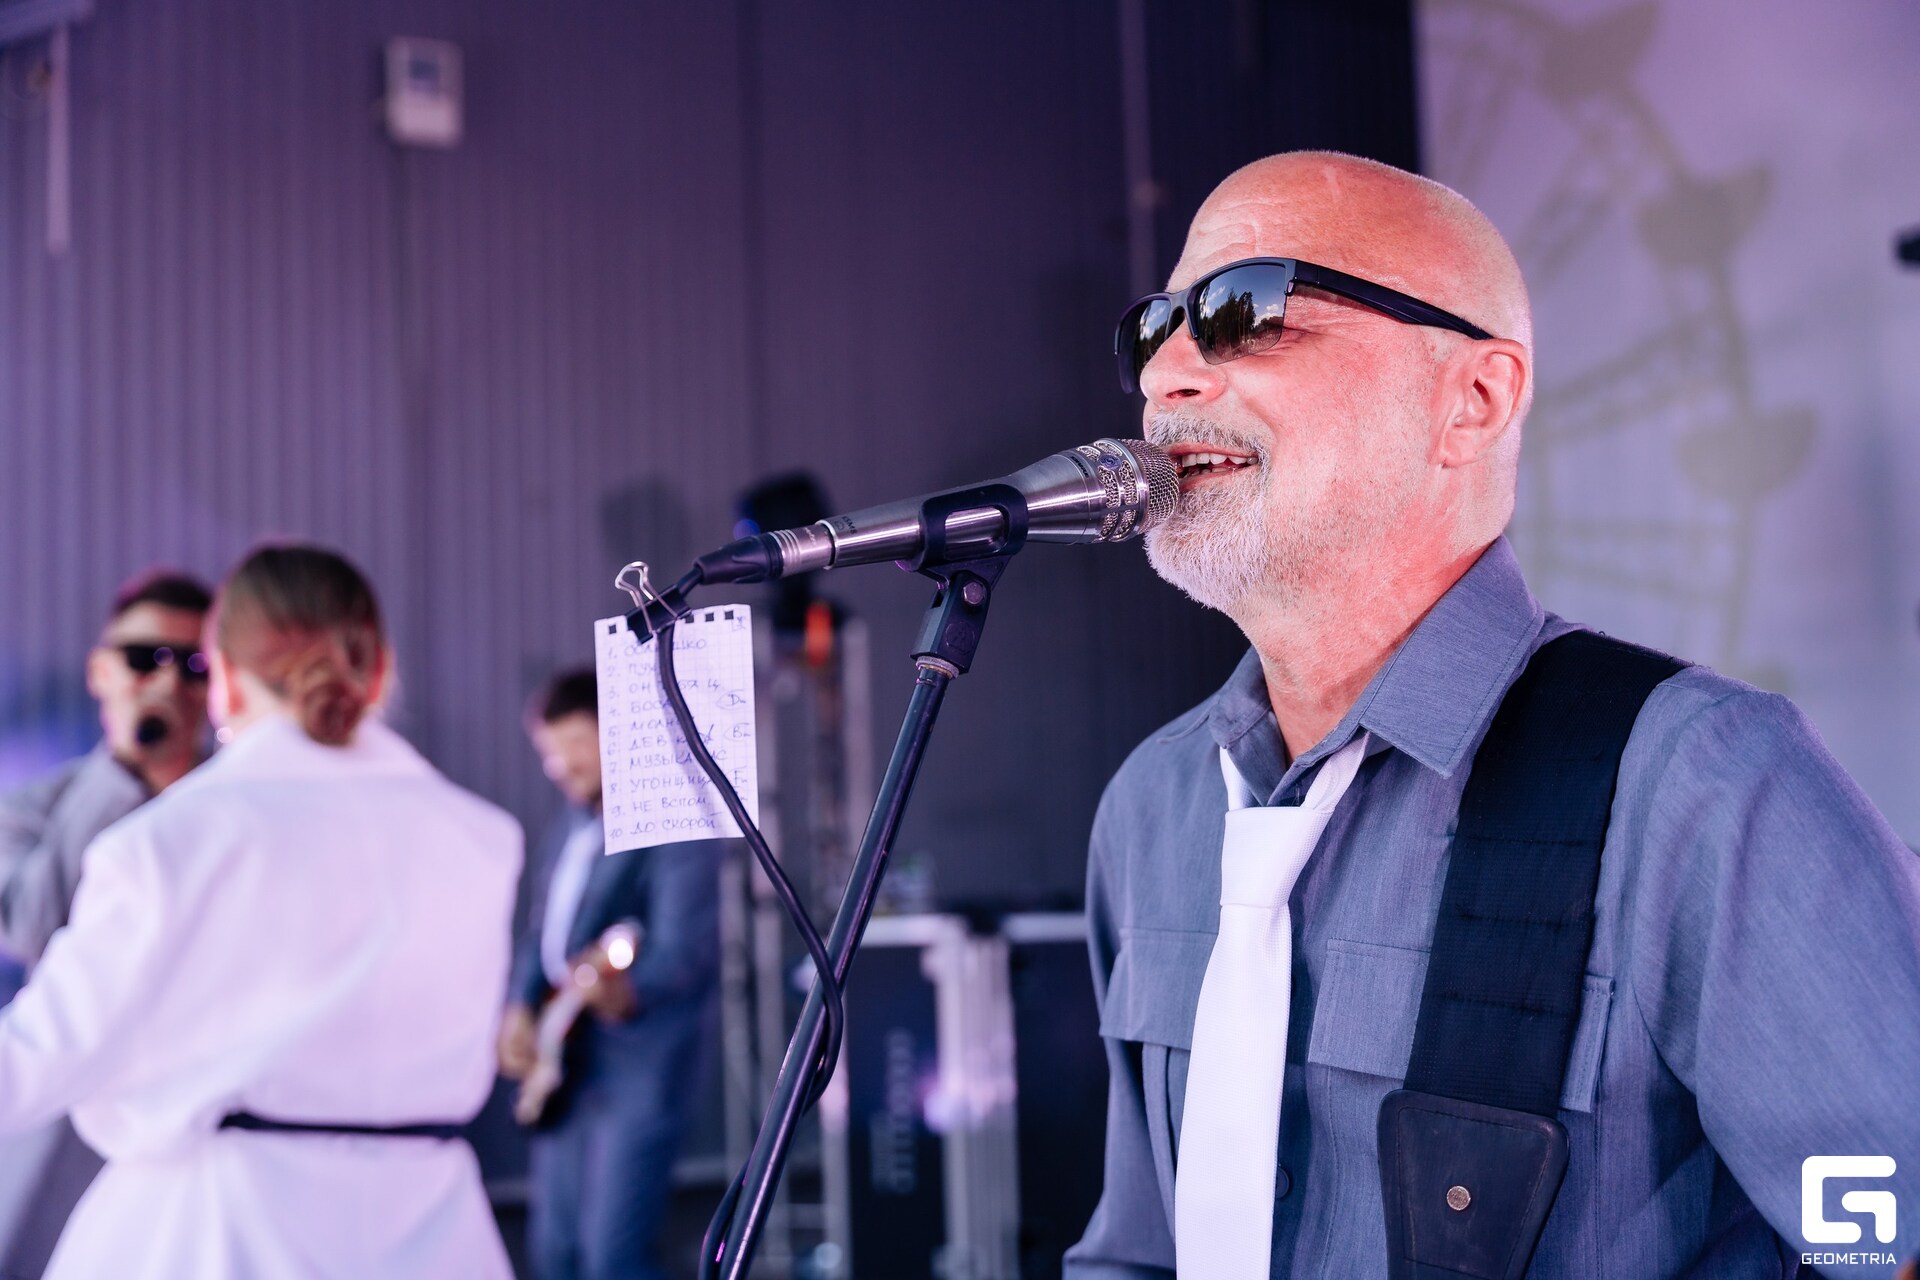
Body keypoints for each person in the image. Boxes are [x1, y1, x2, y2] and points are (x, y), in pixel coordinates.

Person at [1064, 151, 1920, 1278]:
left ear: (1474, 400)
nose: (1168, 374)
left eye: (1247, 311)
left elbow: (1896, 1241)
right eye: (1155, 329)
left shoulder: (1699, 787)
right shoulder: (1154, 807)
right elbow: (1140, 1249)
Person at [0, 543, 520, 1279]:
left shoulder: (168, 843)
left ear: (224, 684)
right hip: (436, 1233)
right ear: (379, 671)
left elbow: (35, 1059)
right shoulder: (483, 840)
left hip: (223, 1232)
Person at [0, 569, 212, 1280]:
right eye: (145, 659)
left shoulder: (246, 810)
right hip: (75, 1126)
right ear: (101, 672)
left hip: (213, 1124)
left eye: (194, 665)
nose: (169, 683)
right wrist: (124, 774)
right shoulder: (29, 810)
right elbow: (33, 927)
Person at [499, 668, 724, 1280]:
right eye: (549, 750)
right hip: (567, 1059)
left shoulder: (676, 819)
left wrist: (624, 989)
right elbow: (546, 930)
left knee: (613, 1257)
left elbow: (685, 951)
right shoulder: (573, 823)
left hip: (640, 1063)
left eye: (575, 743)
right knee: (556, 1252)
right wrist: (519, 1006)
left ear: (618, 734)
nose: (560, 765)